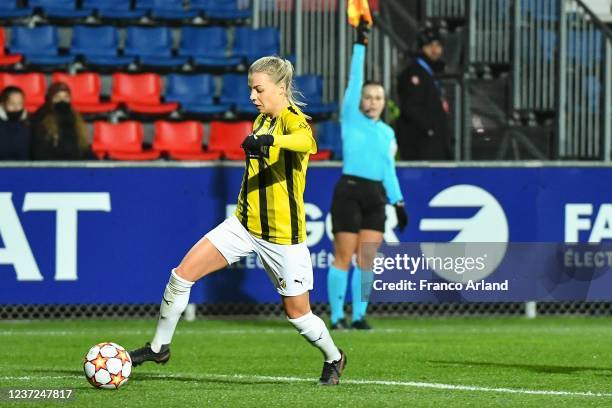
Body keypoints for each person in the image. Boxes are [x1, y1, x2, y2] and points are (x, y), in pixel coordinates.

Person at [129, 56, 347, 386]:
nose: (252, 97)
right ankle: (159, 348)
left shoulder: (293, 121)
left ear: (281, 88)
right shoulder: (260, 122)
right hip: (243, 224)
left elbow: (306, 143)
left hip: (282, 236)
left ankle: (334, 356)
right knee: (181, 276)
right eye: (251, 90)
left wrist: (272, 141)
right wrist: (264, 138)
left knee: (298, 315)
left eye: (258, 89)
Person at [326, 19, 408, 331]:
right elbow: (354, 78)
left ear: (384, 103)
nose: (373, 101)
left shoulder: (387, 132)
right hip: (349, 191)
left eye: (378, 97)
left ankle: (359, 315)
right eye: (368, 96)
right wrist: (360, 44)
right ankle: (335, 317)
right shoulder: (350, 118)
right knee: (343, 257)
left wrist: (398, 202)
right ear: (360, 100)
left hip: (376, 196)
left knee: (367, 259)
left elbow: (389, 169)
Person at [395, 27, 452, 160]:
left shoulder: (430, 72)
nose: (434, 49)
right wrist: (430, 129)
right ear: (421, 48)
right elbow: (410, 107)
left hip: (433, 142)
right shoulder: (414, 73)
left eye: (438, 45)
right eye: (429, 45)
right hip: (419, 143)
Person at [30, 82, 90, 160]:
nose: (62, 101)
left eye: (66, 97)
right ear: (50, 99)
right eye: (57, 97)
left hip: (75, 165)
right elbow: (40, 151)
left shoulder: (76, 118)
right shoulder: (41, 118)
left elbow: (84, 148)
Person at [0, 86, 30, 160]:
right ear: (3, 104)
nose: (16, 108)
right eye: (12, 104)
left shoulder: (30, 123)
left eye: (20, 104)